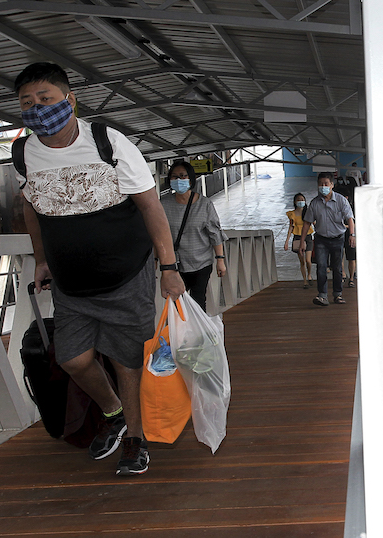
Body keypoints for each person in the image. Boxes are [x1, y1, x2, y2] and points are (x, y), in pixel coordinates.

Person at [15, 62, 186, 476]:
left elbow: (150, 206)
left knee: (127, 359)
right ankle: (114, 412)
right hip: (70, 284)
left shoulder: (107, 142)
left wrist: (169, 266)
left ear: (69, 99)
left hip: (125, 275)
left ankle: (135, 440)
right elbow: (32, 210)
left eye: (46, 99)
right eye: (27, 103)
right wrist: (41, 259)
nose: (38, 109)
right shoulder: (24, 153)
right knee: (73, 358)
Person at [161, 160, 227, 311]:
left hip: (201, 263)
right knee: (177, 305)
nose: (178, 180)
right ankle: (179, 334)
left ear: (190, 179)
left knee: (198, 303)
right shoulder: (163, 205)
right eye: (174, 176)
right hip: (175, 265)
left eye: (183, 176)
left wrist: (220, 260)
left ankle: (198, 333)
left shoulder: (205, 204)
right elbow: (159, 235)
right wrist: (157, 259)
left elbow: (215, 234)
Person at [299, 172, 355, 306]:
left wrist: (352, 235)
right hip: (321, 240)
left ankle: (338, 294)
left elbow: (350, 218)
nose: (323, 186)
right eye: (320, 184)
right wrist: (302, 241)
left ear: (332, 185)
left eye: (326, 184)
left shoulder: (341, 200)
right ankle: (322, 295)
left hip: (338, 238)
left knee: (337, 268)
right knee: (321, 267)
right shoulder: (314, 203)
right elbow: (307, 223)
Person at [283, 193, 314, 287]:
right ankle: (305, 280)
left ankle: (309, 275)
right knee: (302, 261)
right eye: (299, 200)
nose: (301, 201)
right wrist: (287, 241)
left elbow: (314, 223)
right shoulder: (292, 214)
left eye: (302, 199)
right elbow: (291, 228)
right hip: (298, 238)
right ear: (295, 202)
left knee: (308, 260)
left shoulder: (308, 212)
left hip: (308, 237)